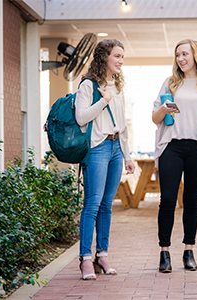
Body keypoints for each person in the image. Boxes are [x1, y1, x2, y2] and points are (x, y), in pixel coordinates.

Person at [152, 39, 197, 273]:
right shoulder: (170, 83)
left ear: (196, 56)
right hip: (171, 146)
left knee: (192, 201)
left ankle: (189, 251)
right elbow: (155, 118)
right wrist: (165, 108)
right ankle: (164, 253)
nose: (180, 59)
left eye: (185, 54)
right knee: (168, 201)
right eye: (177, 55)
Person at [75, 39, 135, 280]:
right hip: (97, 148)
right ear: (104, 57)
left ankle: (102, 254)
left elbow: (122, 125)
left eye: (122, 57)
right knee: (92, 203)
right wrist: (104, 100)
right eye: (117, 56)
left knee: (107, 205)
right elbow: (81, 118)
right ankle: (85, 259)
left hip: (116, 148)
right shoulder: (88, 85)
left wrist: (128, 155)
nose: (121, 61)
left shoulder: (118, 86)